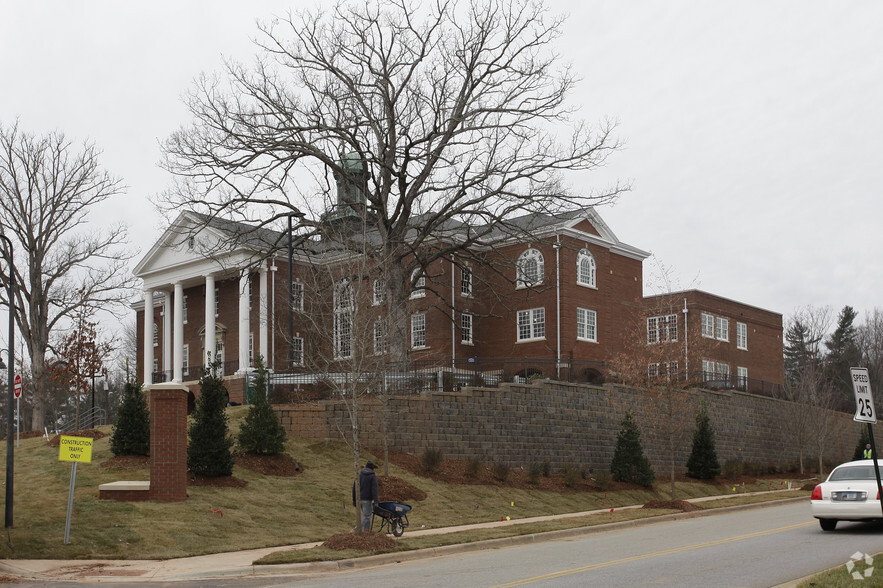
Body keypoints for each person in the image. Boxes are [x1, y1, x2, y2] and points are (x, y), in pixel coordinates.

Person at [352, 461, 379, 532]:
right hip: (367, 499)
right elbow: (374, 489)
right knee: (367, 516)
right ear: (372, 468)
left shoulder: (360, 474)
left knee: (366, 516)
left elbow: (354, 487)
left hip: (359, 499)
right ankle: (356, 530)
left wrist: (354, 500)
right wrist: (376, 500)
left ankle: (367, 531)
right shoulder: (372, 476)